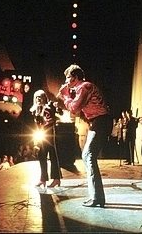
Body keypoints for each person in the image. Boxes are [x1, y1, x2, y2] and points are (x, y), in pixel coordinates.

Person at [56, 64, 112, 207]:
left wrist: (65, 95)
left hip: (101, 121)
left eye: (67, 78)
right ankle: (97, 197)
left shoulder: (85, 87)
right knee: (87, 156)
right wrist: (67, 96)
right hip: (97, 122)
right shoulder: (81, 88)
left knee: (88, 155)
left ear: (74, 77)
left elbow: (74, 108)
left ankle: (97, 198)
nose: (66, 81)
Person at [30, 89, 63, 188]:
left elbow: (60, 114)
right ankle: (43, 179)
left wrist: (57, 108)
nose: (38, 99)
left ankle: (55, 179)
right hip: (41, 135)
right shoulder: (35, 110)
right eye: (36, 97)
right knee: (42, 157)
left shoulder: (50, 105)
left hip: (51, 135)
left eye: (40, 97)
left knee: (53, 156)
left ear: (44, 97)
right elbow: (36, 125)